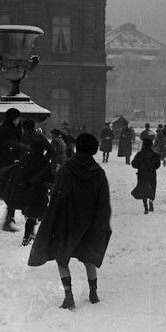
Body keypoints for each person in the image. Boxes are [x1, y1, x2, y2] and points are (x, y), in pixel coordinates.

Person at [28, 133, 112, 310]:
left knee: (62, 258)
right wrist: (102, 223)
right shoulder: (99, 173)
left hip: (68, 220)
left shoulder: (67, 169)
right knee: (88, 257)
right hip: (89, 221)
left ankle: (68, 296)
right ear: (94, 150)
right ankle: (93, 292)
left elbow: (58, 195)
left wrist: (53, 217)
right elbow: (103, 202)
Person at [5, 138, 54, 246]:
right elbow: (50, 177)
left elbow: (20, 175)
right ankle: (41, 237)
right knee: (43, 214)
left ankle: (27, 237)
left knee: (31, 215)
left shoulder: (25, 159)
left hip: (27, 191)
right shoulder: (44, 161)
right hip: (40, 191)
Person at [131, 138, 161, 214]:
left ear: (143, 145)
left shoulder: (139, 154)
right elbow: (157, 165)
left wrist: (140, 166)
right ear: (151, 145)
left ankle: (145, 207)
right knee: (152, 187)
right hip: (151, 174)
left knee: (143, 189)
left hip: (142, 174)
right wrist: (151, 167)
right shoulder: (155, 155)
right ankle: (151, 200)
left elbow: (134, 164)